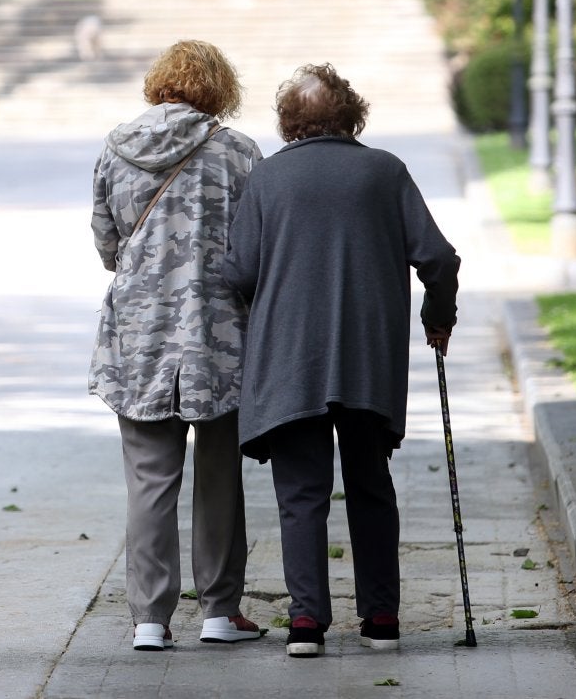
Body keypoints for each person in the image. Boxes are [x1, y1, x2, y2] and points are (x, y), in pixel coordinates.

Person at [223, 63, 459, 658]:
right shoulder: (385, 172)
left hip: (289, 358)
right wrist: (438, 316)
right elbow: (438, 257)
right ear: (351, 113)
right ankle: (381, 618)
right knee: (371, 485)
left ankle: (306, 623)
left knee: (301, 493)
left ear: (289, 121)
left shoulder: (267, 179)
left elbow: (241, 272)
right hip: (366, 357)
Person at [89, 39, 265, 652]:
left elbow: (107, 246)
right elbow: (256, 253)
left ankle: (149, 621)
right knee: (220, 476)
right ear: (221, 90)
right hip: (220, 337)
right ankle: (219, 612)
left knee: (149, 480)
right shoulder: (240, 154)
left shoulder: (116, 147)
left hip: (139, 337)